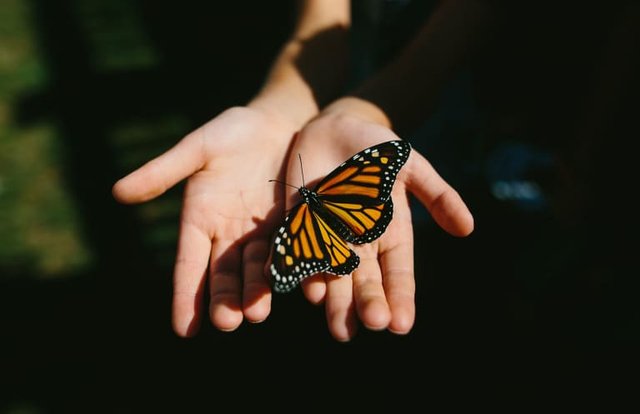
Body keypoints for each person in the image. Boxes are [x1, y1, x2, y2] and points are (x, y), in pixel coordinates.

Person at [112, 0, 489, 341]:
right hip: (383, 127)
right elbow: (319, 27)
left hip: (448, 91)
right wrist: (280, 109)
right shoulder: (333, 186)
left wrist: (368, 110)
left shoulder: (300, 217)